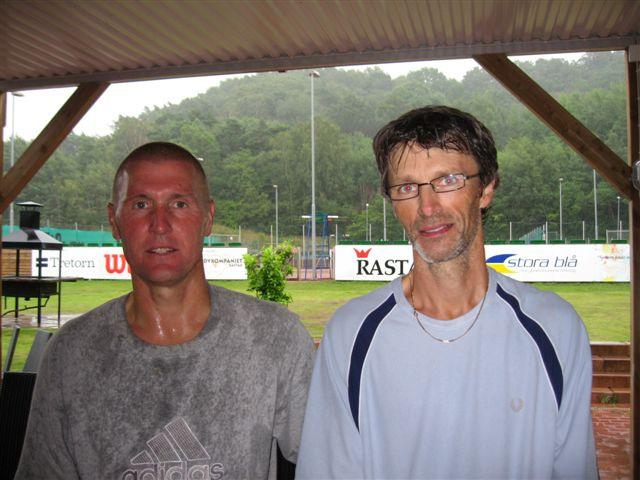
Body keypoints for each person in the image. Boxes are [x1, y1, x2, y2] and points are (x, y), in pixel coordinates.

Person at [297, 106, 597, 479]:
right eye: (407, 187)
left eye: (448, 180)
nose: (427, 207)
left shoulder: (555, 328)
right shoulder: (350, 334)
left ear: (485, 188)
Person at [16, 142, 315, 480]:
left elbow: (334, 462)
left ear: (208, 219)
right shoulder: (71, 354)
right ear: (114, 221)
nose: (160, 223)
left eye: (179, 203)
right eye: (141, 204)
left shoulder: (275, 339)